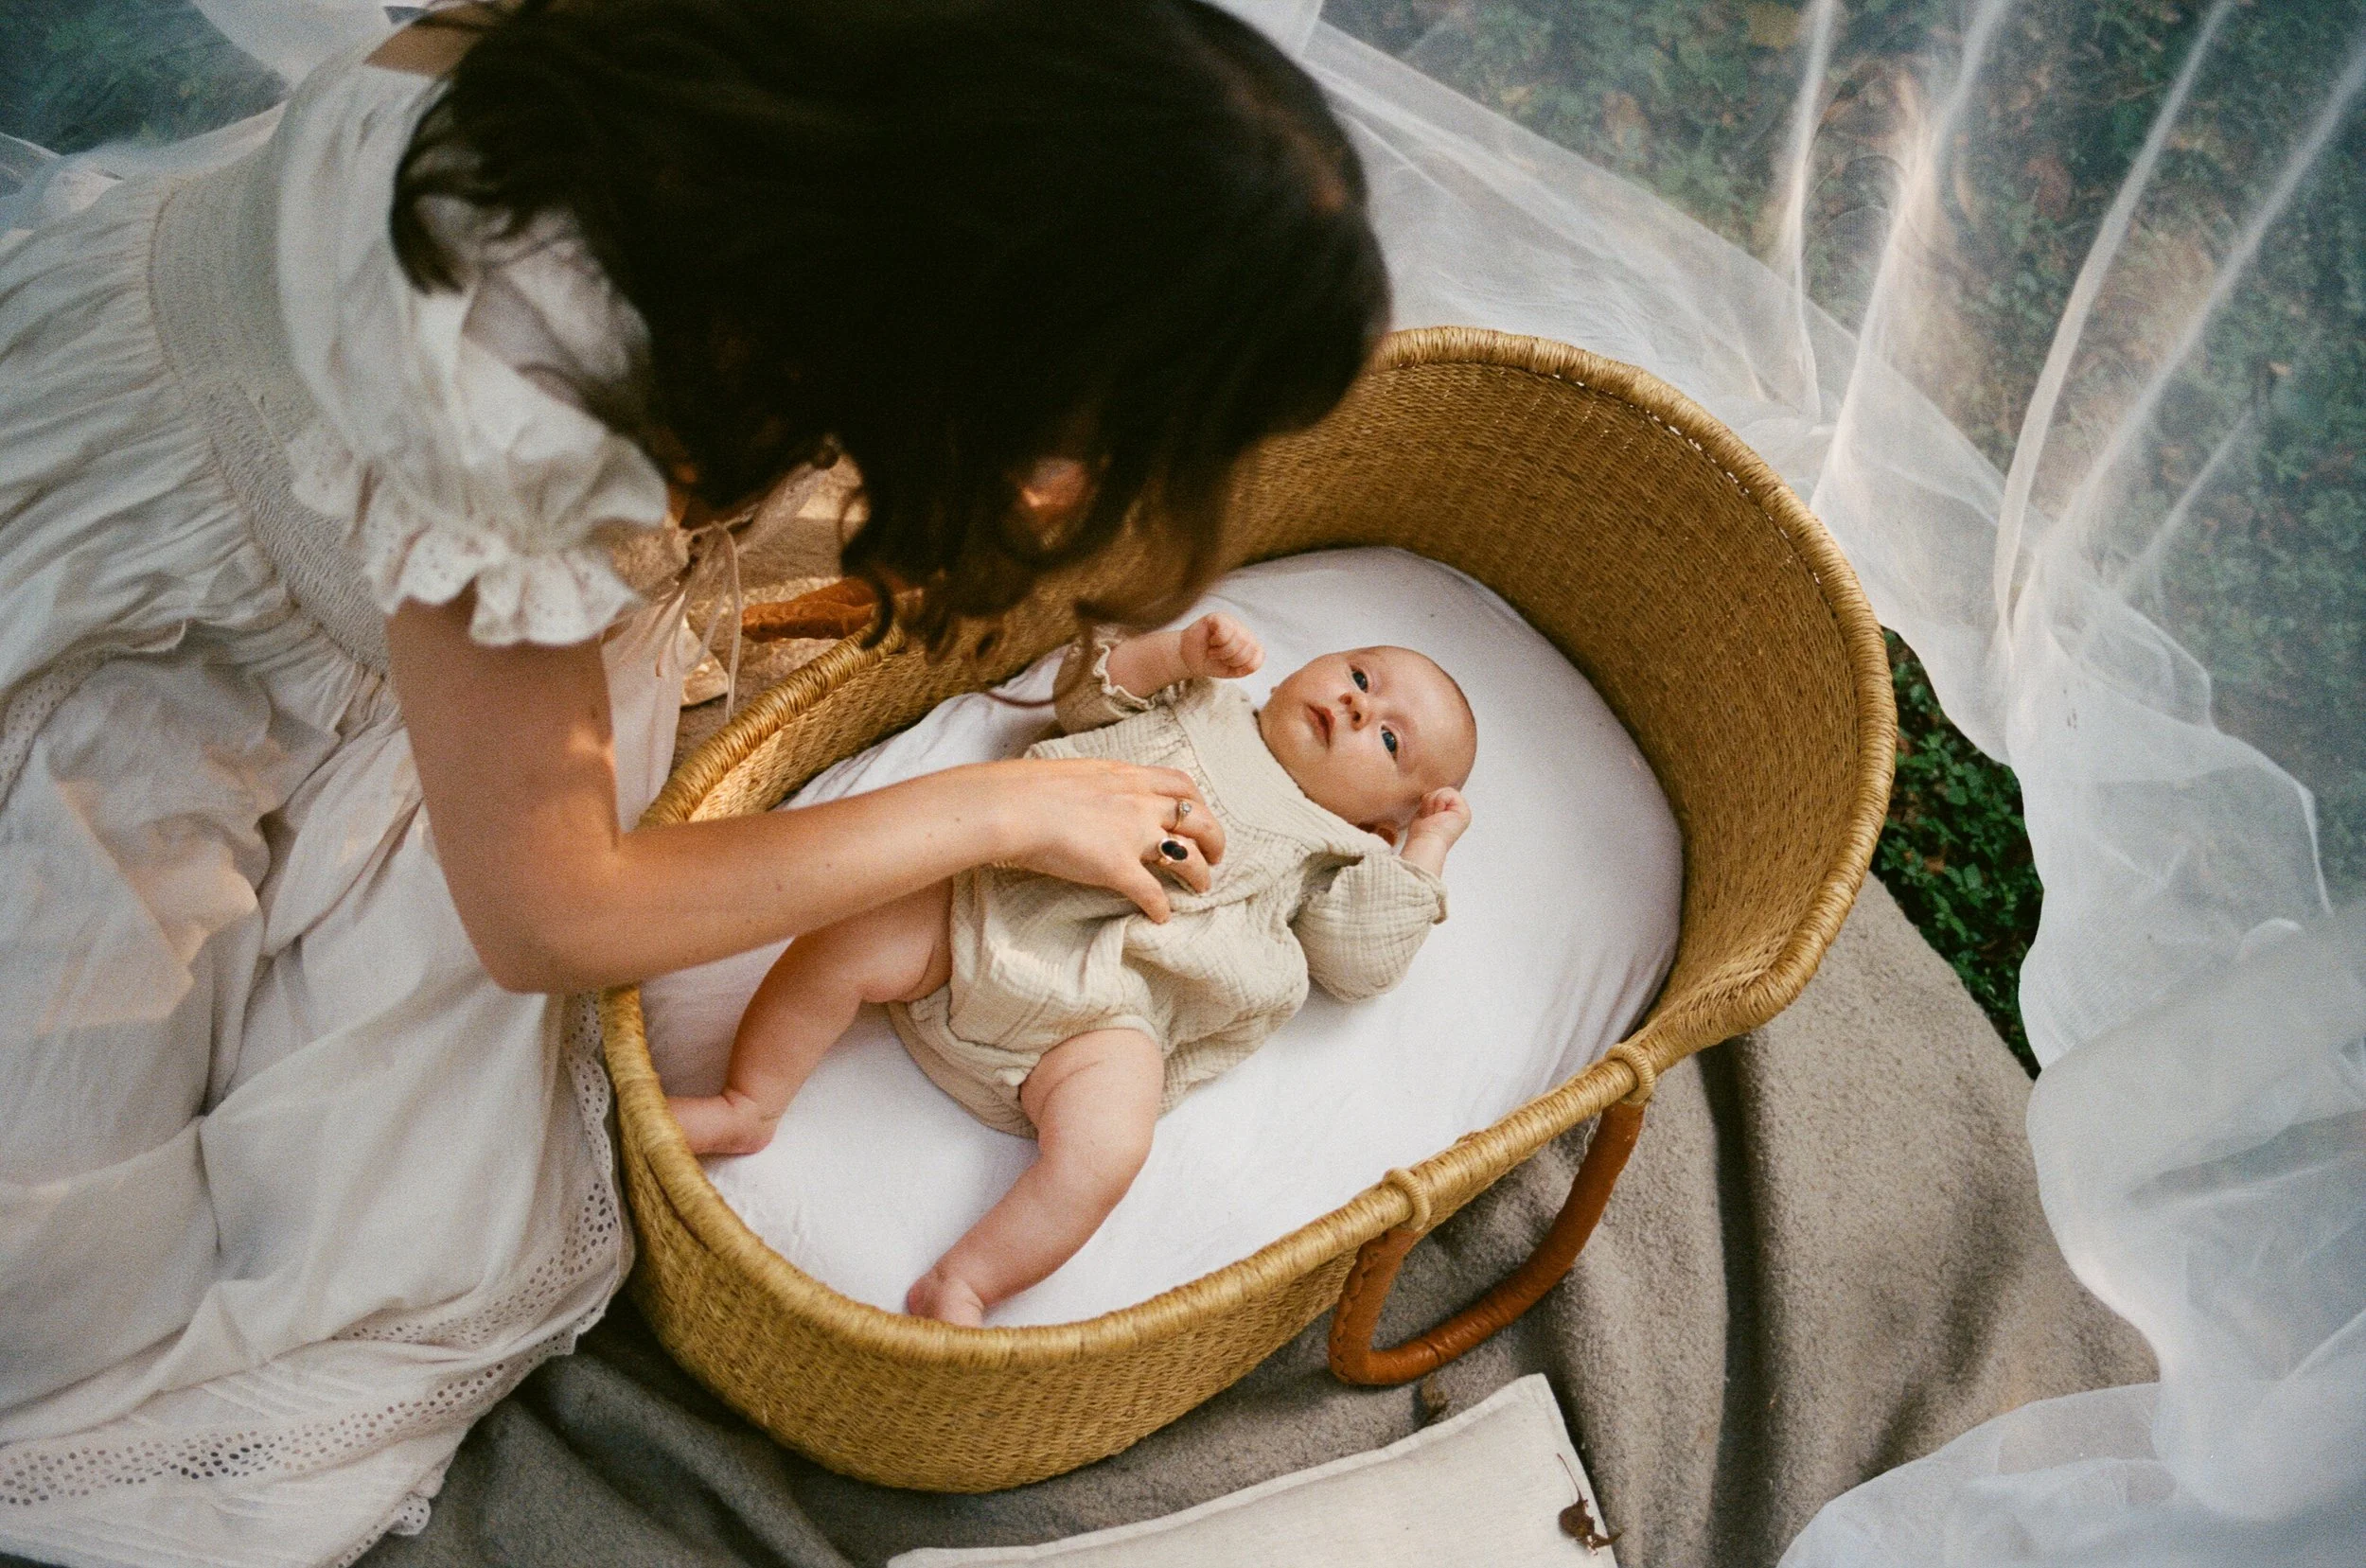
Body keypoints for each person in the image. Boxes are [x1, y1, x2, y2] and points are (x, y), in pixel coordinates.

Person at [0, 1, 1386, 1559]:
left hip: (416, 568)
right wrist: (1000, 806)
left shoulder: (809, 124)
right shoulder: (529, 363)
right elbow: (551, 912)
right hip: (149, 599)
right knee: (72, 1294)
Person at [670, 613, 1478, 1324]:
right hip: (989, 907)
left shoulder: (1332, 851)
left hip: (1106, 1016)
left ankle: (969, 1278)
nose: (1357, 705)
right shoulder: (1202, 701)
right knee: (846, 934)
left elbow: (1362, 959)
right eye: (1361, 675)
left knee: (1109, 1150)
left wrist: (1425, 848)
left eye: (1389, 739)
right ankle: (750, 1101)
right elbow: (1085, 694)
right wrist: (1177, 651)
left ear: (1375, 821)